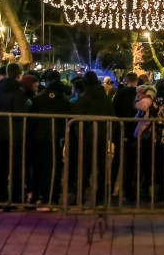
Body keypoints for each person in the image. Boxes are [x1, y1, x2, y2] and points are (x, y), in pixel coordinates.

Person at [71, 70, 114, 205]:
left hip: (87, 136)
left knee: (83, 168)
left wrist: (78, 134)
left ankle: (80, 197)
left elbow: (78, 118)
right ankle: (100, 197)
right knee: (101, 168)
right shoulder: (105, 98)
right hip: (102, 134)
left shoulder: (83, 98)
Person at [29, 70, 70, 206]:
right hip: (56, 137)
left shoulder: (38, 98)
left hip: (38, 137)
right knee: (54, 168)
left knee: (37, 167)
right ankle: (51, 197)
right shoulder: (63, 99)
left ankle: (36, 195)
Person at [0, 62, 31, 207]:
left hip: (0, 132)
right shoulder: (18, 91)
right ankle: (15, 198)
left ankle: (0, 199)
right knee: (15, 167)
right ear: (18, 74)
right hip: (14, 133)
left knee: (1, 167)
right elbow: (19, 112)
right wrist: (27, 104)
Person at [113, 73, 140, 200]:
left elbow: (114, 109)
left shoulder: (121, 93)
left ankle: (112, 187)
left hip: (121, 128)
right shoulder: (140, 94)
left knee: (117, 159)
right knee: (132, 160)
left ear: (126, 80)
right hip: (135, 129)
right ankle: (128, 189)